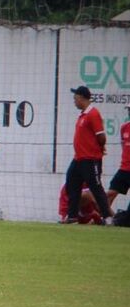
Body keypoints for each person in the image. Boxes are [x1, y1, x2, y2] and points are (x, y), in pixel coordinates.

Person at [62, 86, 112, 224]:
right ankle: (72, 216)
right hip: (78, 158)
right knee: (72, 183)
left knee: (96, 187)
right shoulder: (83, 114)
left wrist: (99, 149)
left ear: (82, 98)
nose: (74, 101)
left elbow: (101, 136)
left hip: (90, 159)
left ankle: (107, 216)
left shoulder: (93, 114)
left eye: (75, 98)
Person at [107, 106, 130, 209]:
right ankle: (105, 218)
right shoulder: (124, 127)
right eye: (129, 110)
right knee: (110, 193)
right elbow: (123, 146)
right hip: (124, 169)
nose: (129, 112)